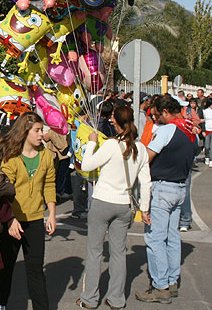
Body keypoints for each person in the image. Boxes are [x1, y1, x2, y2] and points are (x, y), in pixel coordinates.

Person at [76, 106, 151, 309]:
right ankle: (116, 299)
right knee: (119, 253)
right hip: (125, 204)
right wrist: (145, 208)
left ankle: (90, 299)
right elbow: (146, 182)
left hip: (102, 202)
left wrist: (91, 144)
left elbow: (87, 165)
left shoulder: (110, 145)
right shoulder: (141, 149)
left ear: (115, 122)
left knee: (95, 252)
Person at [0, 112, 56, 310]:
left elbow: (49, 184)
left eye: (41, 130)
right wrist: (9, 220)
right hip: (12, 221)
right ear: (25, 131)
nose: (40, 134)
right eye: (36, 130)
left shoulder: (46, 155)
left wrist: (51, 214)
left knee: (36, 269)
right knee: (6, 266)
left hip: (35, 219)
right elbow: (4, 192)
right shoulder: (11, 157)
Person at [135, 95, 196, 304]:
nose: (155, 119)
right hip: (180, 187)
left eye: (157, 115)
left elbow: (147, 157)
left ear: (166, 113)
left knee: (154, 238)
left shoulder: (167, 130)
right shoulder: (190, 130)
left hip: (162, 187)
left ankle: (160, 286)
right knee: (173, 237)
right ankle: (172, 280)